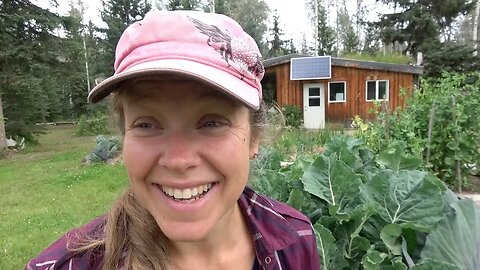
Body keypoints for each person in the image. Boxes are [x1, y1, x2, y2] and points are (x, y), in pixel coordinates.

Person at [26, 10, 320, 270]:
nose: (179, 160)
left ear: (253, 137)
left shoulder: (296, 240)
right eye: (147, 124)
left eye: (211, 123)